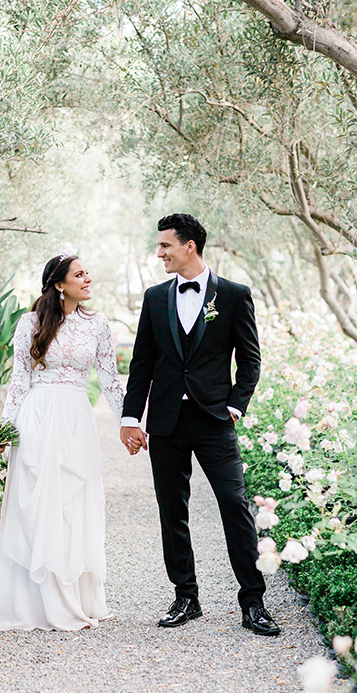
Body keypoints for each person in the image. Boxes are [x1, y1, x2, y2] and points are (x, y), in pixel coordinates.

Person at [120, 213, 280, 636]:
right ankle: (186, 598)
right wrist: (130, 417)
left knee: (235, 507)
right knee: (173, 511)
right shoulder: (155, 298)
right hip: (167, 423)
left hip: (214, 420)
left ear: (190, 245)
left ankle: (253, 602)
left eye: (165, 246)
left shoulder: (233, 295)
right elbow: (142, 364)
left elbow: (250, 361)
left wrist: (235, 407)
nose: (160, 254)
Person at [0, 254, 124, 631]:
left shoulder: (98, 325)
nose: (88, 278)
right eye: (80, 274)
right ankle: (33, 602)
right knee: (36, 505)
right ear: (59, 284)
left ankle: (77, 597)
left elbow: (111, 381)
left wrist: (130, 423)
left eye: (87, 272)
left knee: (74, 505)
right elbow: (18, 382)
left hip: (77, 419)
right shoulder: (30, 322)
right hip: (38, 420)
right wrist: (1, 430)